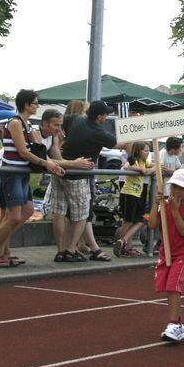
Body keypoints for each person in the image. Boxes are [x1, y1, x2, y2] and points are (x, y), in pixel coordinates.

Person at [0, 89, 62, 268]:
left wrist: (49, 159)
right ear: (27, 105)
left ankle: (1, 245)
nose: (37, 106)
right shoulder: (15, 123)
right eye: (35, 103)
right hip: (11, 173)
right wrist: (46, 164)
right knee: (12, 216)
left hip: (21, 173)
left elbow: (37, 149)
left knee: (27, 210)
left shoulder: (28, 126)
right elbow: (22, 151)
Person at [56, 100, 116, 262]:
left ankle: (61, 250)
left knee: (61, 212)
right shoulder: (99, 132)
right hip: (79, 175)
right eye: (105, 114)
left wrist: (60, 142)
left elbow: (59, 123)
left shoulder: (75, 119)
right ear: (99, 117)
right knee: (82, 215)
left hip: (61, 170)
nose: (106, 117)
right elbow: (114, 142)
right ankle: (71, 249)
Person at [149, 168, 184, 344]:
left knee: (173, 286)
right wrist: (156, 204)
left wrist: (175, 211)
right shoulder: (165, 204)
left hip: (182, 253)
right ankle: (177, 323)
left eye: (182, 188)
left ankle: (174, 324)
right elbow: (152, 224)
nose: (177, 191)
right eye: (175, 187)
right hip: (166, 253)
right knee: (166, 286)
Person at [115, 142, 155, 258]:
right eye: (146, 150)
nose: (148, 153)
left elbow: (154, 166)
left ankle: (123, 242)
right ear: (138, 151)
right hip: (129, 193)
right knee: (128, 221)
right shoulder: (133, 161)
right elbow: (127, 166)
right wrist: (141, 169)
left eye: (149, 150)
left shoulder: (144, 162)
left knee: (140, 221)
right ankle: (124, 246)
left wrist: (149, 170)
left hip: (137, 194)